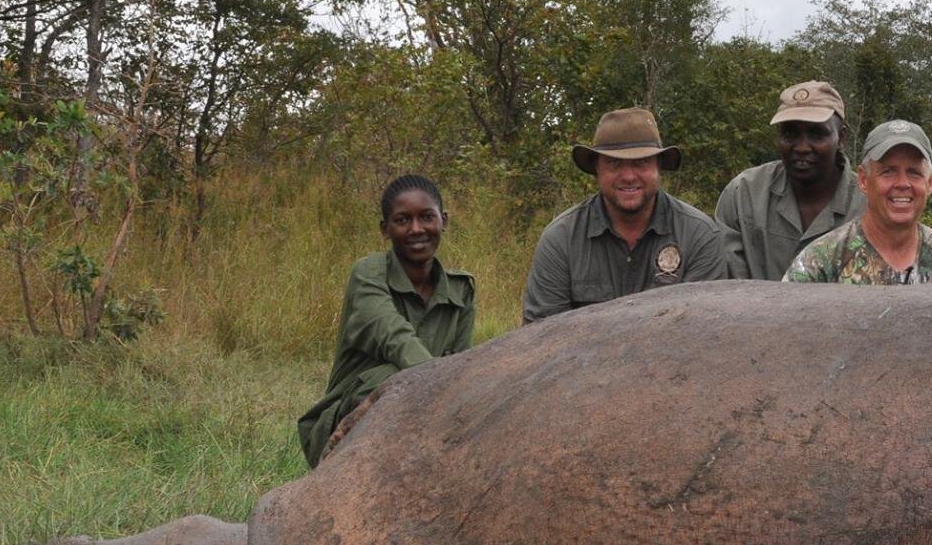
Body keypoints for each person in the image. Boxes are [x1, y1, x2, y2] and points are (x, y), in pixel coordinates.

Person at [297, 174, 476, 467]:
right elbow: (393, 336)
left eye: (427, 217)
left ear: (444, 221)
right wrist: (443, 387)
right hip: (350, 419)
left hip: (431, 411)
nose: (417, 229)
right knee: (394, 375)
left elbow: (462, 363)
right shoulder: (368, 273)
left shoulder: (461, 289)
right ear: (385, 229)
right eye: (403, 220)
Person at [522, 107, 729, 323]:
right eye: (614, 163)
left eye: (641, 163)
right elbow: (540, 338)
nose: (629, 176)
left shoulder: (699, 236)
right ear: (597, 169)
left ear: (659, 167)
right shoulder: (561, 239)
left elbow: (705, 333)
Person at [785, 119, 932, 285]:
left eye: (914, 172)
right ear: (863, 180)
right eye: (888, 172)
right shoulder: (822, 260)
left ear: (930, 182)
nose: (902, 184)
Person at [714, 80, 864, 280]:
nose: (802, 147)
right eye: (790, 134)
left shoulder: (869, 203)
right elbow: (726, 286)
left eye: (817, 134)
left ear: (841, 138)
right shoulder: (743, 194)